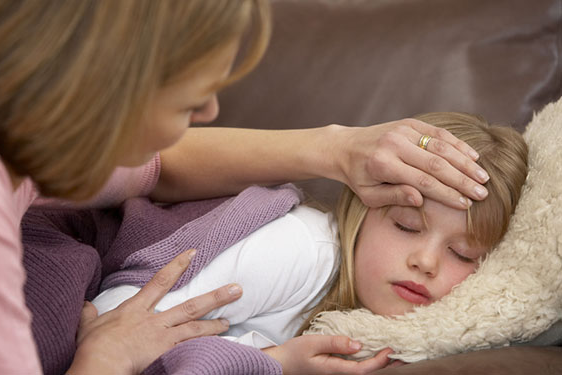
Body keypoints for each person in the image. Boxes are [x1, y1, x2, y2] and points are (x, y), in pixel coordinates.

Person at [0, 0, 492, 374]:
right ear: (100, 83)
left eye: (466, 254)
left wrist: (338, 150)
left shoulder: (6, 130)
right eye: (187, 98)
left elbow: (158, 168)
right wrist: (102, 359)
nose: (210, 111)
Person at [92, 111, 528, 374]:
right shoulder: (302, 249)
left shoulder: (385, 326)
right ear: (363, 207)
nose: (426, 261)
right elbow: (115, 325)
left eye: (462, 254)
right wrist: (272, 361)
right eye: (406, 226)